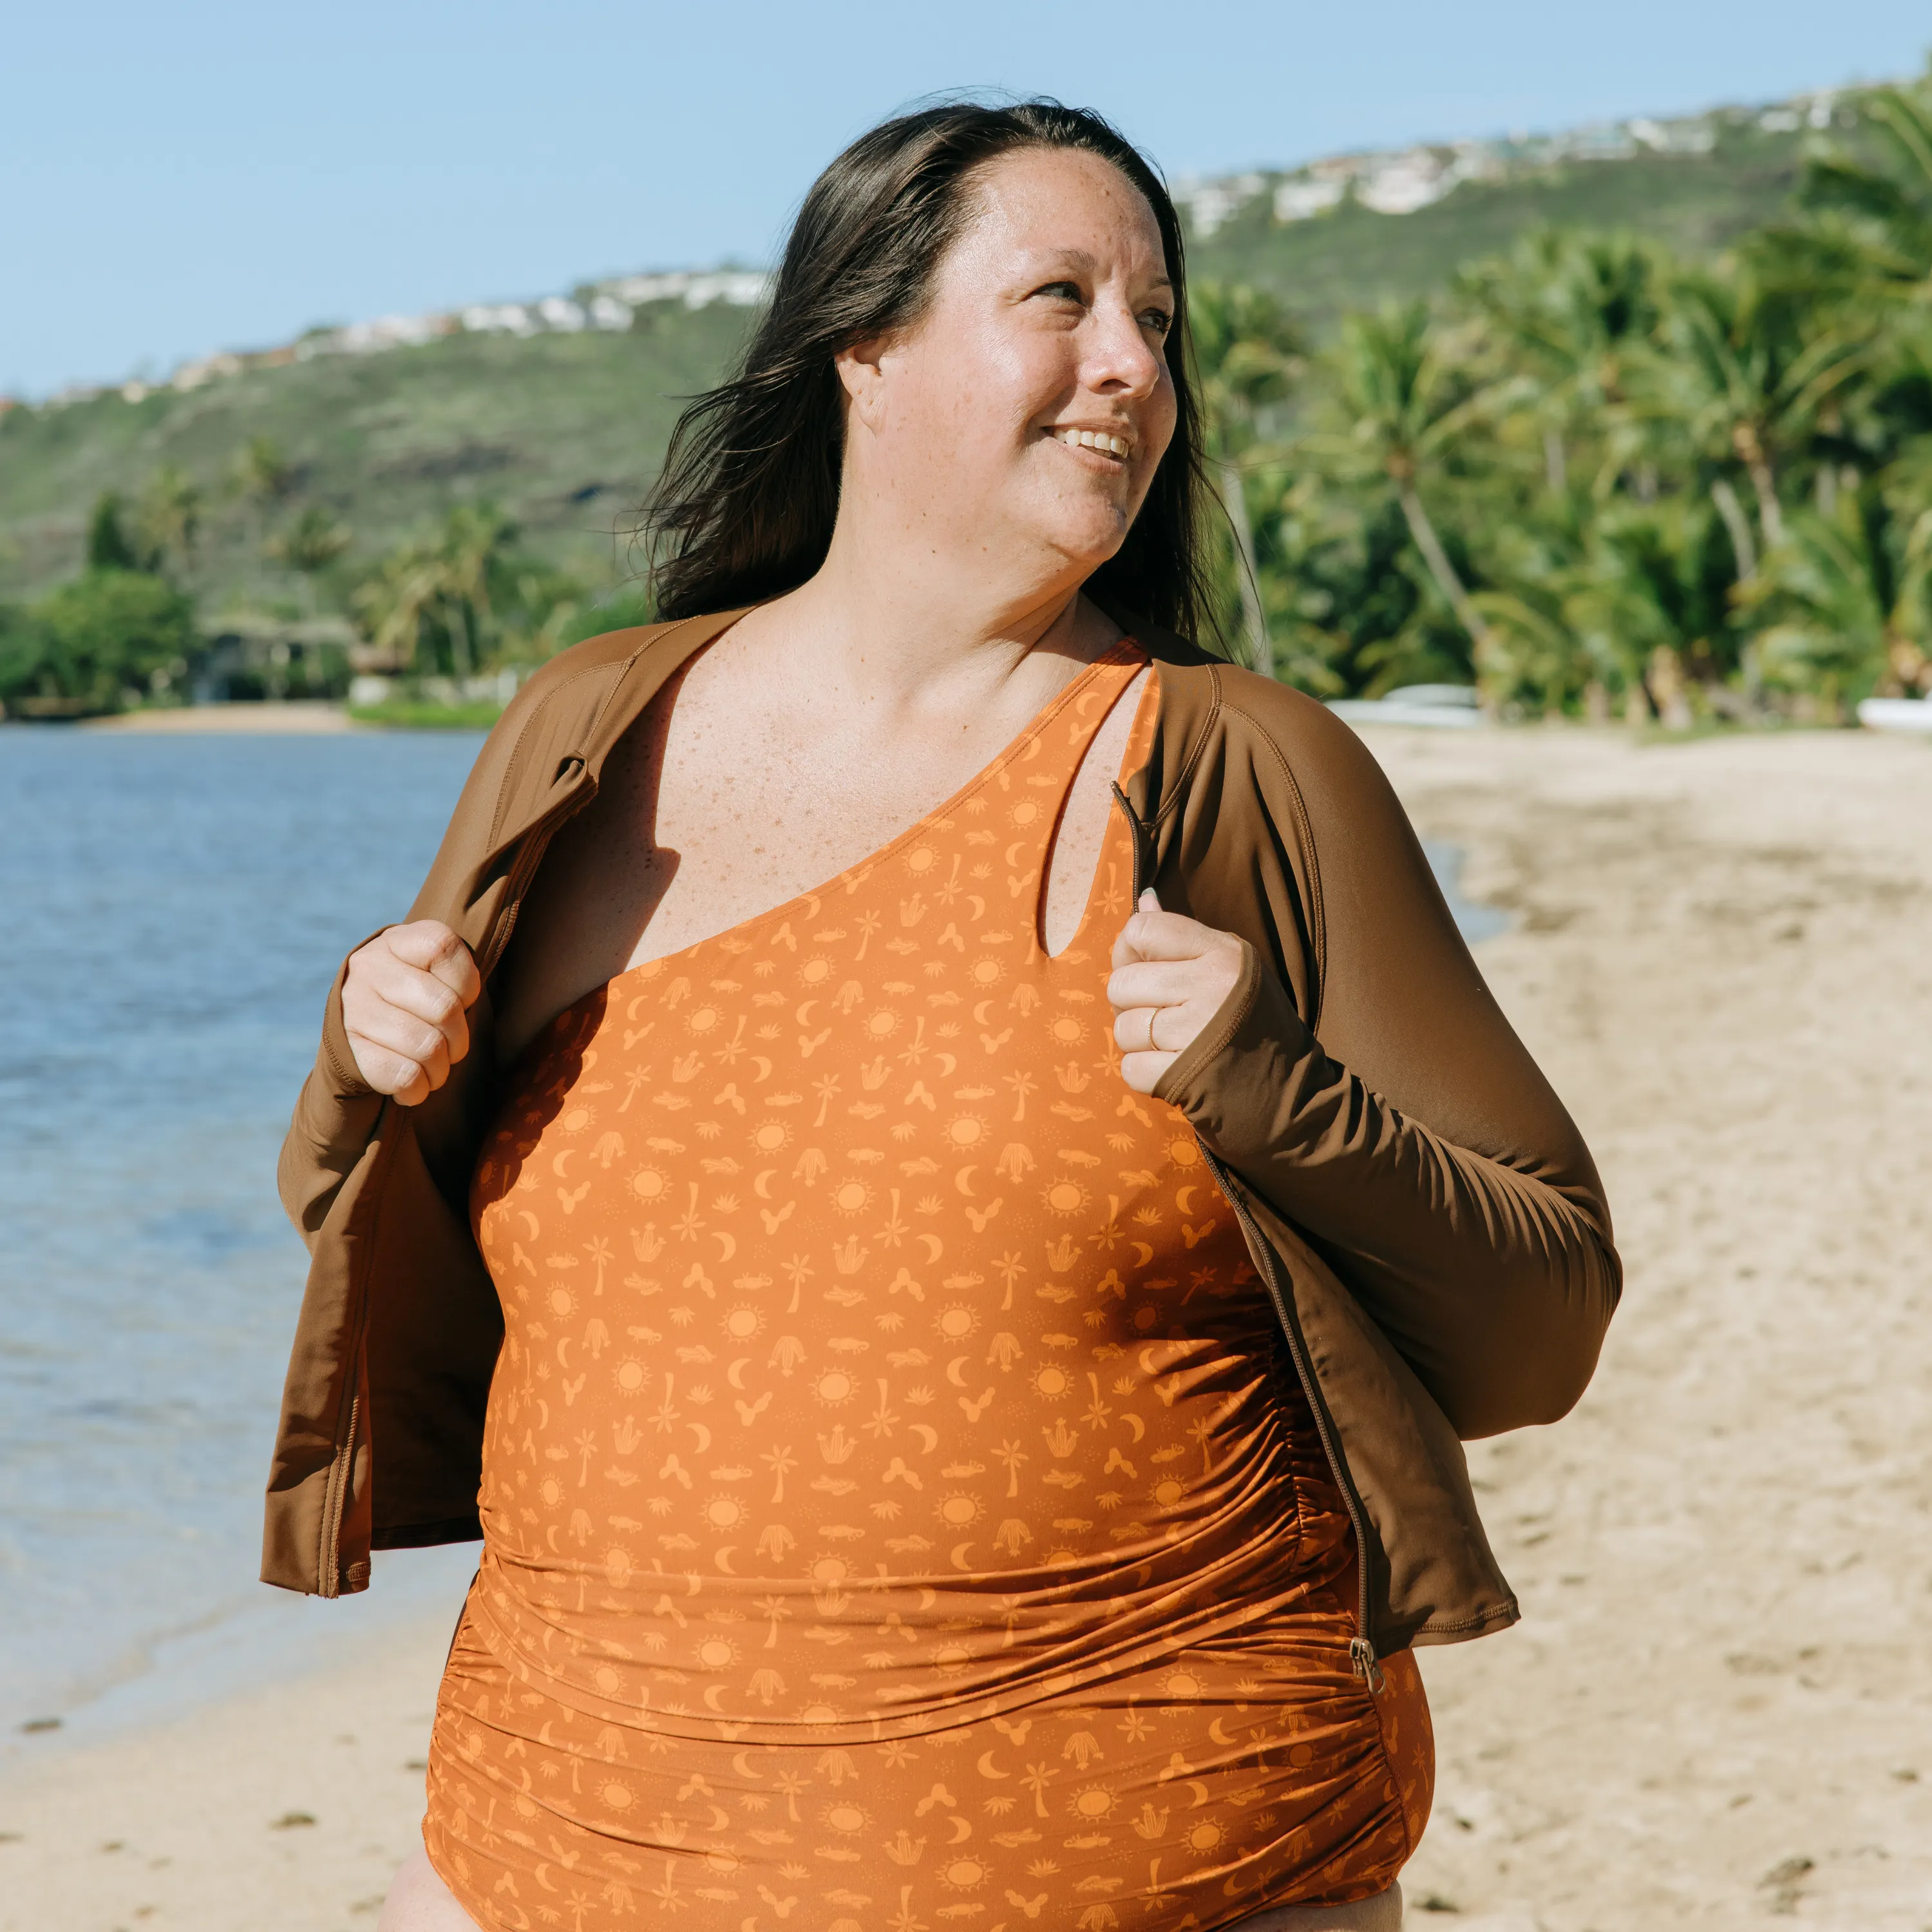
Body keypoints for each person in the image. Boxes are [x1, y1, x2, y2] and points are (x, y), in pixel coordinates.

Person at [267, 102, 1620, 1932]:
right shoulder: (585, 737)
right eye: (1060, 297)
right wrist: (367, 1059)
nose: (1132, 367)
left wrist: (1269, 1086)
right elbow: (346, 1197)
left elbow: (1546, 1319)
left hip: (1167, 1857)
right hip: (566, 1853)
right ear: (866, 347)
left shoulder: (1240, 771)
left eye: (1161, 318)